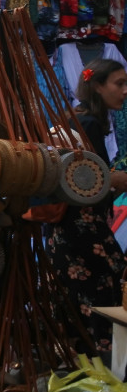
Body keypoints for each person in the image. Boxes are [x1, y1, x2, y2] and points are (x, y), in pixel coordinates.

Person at [48, 58, 127, 357]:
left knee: (80, 306)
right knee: (107, 292)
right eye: (119, 84)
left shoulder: (74, 118)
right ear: (97, 86)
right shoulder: (89, 123)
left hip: (66, 234)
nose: (125, 91)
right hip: (83, 231)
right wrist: (117, 179)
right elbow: (90, 182)